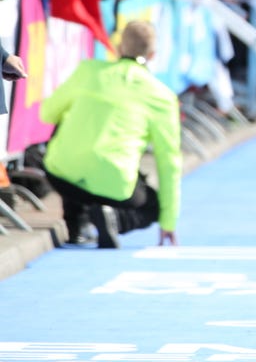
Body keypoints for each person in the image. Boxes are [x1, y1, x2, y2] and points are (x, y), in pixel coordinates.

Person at [39, 21, 182, 248]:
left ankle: (76, 225)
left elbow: (47, 114)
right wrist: (169, 221)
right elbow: (169, 162)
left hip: (61, 174)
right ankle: (115, 219)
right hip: (113, 184)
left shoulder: (88, 71)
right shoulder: (162, 97)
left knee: (71, 136)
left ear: (118, 47)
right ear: (153, 54)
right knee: (151, 204)